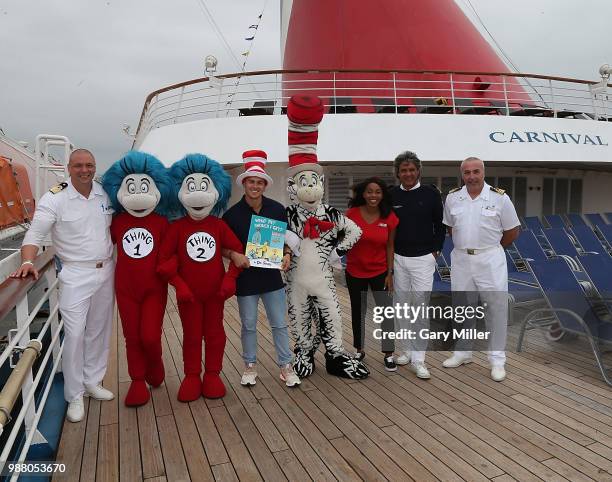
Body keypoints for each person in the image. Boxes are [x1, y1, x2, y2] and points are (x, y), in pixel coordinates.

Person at [11, 149, 115, 422]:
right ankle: (75, 395)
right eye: (78, 165)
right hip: (75, 274)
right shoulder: (55, 198)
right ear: (69, 168)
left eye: (89, 165)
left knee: (99, 331)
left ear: (95, 167)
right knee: (75, 335)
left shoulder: (104, 194)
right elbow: (35, 232)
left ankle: (93, 382)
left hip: (106, 270)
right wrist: (28, 261)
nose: (85, 170)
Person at [222, 150, 301, 388]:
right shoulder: (231, 215)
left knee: (279, 323)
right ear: (244, 183)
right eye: (251, 181)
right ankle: (250, 366)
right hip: (245, 279)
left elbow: (284, 240)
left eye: (259, 182)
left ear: (265, 185)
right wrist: (234, 254)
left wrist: (286, 254)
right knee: (248, 325)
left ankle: (286, 366)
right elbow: (223, 247)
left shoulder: (277, 209)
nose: (255, 186)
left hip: (271, 277)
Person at [442, 157, 520, 381]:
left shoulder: (500, 198)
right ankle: (463, 352)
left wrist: (492, 248)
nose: (472, 176)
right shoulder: (452, 197)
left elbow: (513, 231)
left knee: (495, 309)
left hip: (490, 259)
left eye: (476, 171)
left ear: (483, 173)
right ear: (462, 175)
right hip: (461, 260)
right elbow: (450, 228)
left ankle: (497, 360)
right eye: (467, 172)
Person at [390, 151, 445, 379]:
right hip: (399, 258)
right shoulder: (391, 195)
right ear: (398, 173)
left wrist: (435, 252)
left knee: (419, 307)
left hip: (424, 259)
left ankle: (419, 359)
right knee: (401, 306)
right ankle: (406, 351)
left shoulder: (431, 194)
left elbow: (440, 225)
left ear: (418, 171)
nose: (408, 173)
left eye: (412, 169)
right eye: (404, 170)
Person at [345, 177, 399, 371]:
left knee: (385, 313)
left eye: (377, 192)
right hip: (355, 272)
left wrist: (390, 273)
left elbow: (390, 246)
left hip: (380, 272)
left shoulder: (389, 217)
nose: (373, 195)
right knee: (358, 312)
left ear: (382, 194)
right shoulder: (351, 214)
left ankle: (388, 353)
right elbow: (342, 239)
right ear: (363, 194)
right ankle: (359, 349)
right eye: (369, 191)